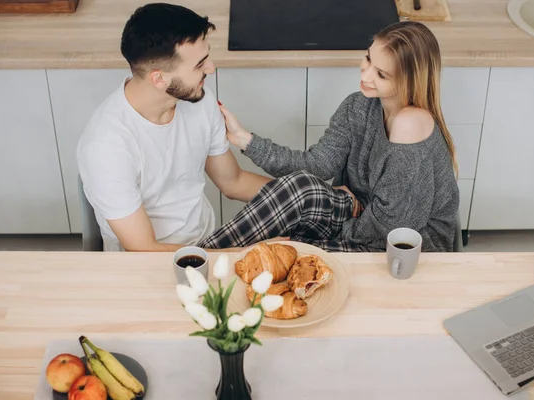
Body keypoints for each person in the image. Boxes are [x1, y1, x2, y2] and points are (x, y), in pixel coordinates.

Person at [198, 21, 460, 252]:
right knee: (300, 187)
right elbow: (317, 165)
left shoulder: (410, 124)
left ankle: (209, 262)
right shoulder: (359, 106)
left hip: (403, 245)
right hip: (359, 215)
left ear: (409, 81)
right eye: (368, 59)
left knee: (286, 250)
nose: (365, 75)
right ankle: (203, 257)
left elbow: (391, 227)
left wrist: (301, 238)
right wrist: (245, 139)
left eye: (381, 75)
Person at [77, 3, 271, 252]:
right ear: (159, 79)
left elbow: (233, 182)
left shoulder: (198, 101)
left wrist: (306, 195)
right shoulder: (106, 147)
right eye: (199, 64)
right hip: (149, 263)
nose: (211, 68)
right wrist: (242, 255)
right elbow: (144, 248)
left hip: (208, 243)